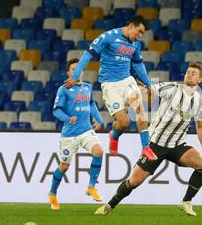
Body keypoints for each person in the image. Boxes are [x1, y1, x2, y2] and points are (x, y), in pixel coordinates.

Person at [95, 62, 202, 217]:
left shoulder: (199, 102)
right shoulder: (172, 88)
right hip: (155, 144)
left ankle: (186, 201)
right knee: (134, 181)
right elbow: (153, 91)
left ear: (200, 80)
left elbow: (200, 127)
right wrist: (145, 88)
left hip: (177, 145)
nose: (189, 74)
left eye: (194, 73)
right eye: (188, 71)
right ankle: (109, 205)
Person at [64, 15, 157, 161]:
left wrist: (148, 84)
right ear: (131, 25)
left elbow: (138, 64)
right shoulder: (108, 37)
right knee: (123, 123)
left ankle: (146, 147)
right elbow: (88, 54)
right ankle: (114, 135)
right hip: (110, 84)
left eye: (142, 34)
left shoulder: (135, 44)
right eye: (139, 31)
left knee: (140, 109)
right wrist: (75, 75)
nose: (139, 36)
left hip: (127, 80)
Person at [48, 58, 104, 210]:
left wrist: (98, 120)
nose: (76, 71)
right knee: (64, 166)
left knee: (99, 151)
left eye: (78, 69)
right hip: (70, 134)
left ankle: (91, 186)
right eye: (73, 69)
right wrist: (67, 119)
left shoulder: (87, 86)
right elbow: (56, 110)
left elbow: (91, 104)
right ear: (68, 72)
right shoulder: (64, 89)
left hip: (86, 130)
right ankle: (52, 193)